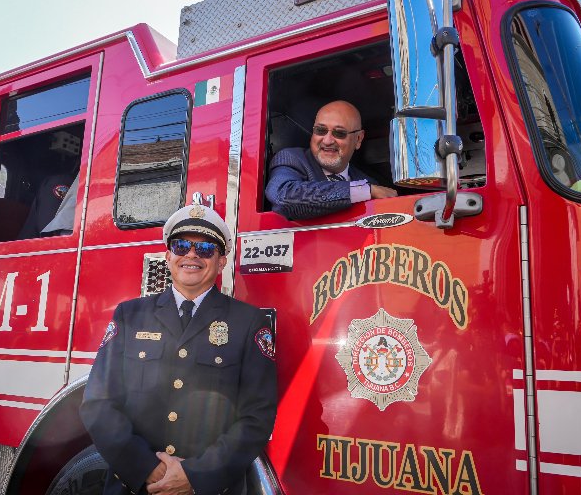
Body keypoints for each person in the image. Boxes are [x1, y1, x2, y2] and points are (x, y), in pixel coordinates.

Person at [81, 204, 277, 495]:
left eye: (206, 249)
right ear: (168, 255)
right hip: (135, 487)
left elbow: (257, 417)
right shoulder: (129, 315)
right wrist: (147, 468)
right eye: (181, 245)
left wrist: (195, 476)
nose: (192, 255)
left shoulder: (249, 323)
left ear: (221, 262)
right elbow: (98, 403)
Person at [265, 100, 397, 219]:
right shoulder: (291, 159)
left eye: (339, 133)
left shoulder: (369, 182)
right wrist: (363, 191)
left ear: (358, 139)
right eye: (320, 130)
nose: (327, 141)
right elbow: (283, 197)